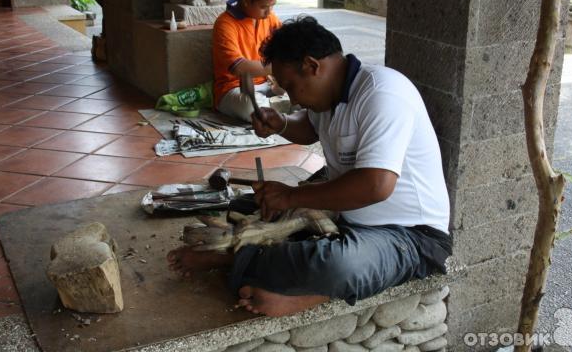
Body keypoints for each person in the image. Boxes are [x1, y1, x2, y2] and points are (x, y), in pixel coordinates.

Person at [169, 16, 452, 317]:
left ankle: (237, 260)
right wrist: (281, 124)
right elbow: (309, 129)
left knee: (339, 264)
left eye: (291, 85)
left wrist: (292, 197)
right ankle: (272, 267)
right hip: (348, 218)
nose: (291, 97)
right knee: (247, 203)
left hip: (410, 236)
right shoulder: (329, 94)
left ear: (312, 66)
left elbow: (375, 185)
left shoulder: (382, 93)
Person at [212, 0, 283, 122]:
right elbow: (240, 68)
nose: (269, 12)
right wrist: (280, 66)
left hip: (267, 83)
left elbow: (288, 42)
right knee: (250, 107)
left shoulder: (270, 18)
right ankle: (278, 111)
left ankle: (275, 111)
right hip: (232, 89)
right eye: (264, 7)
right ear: (246, 1)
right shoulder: (225, 24)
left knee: (304, 89)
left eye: (273, 6)